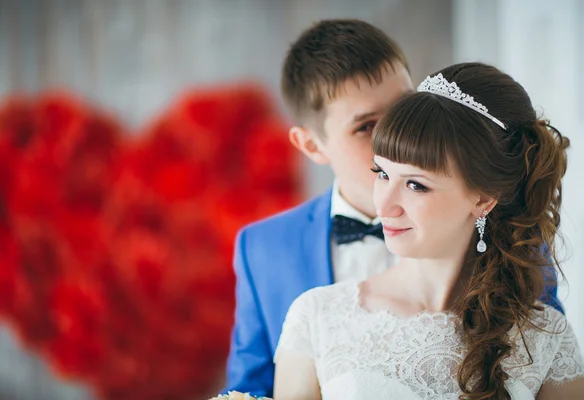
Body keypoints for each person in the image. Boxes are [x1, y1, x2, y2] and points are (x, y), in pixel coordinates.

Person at [223, 19, 561, 397]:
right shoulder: (266, 251)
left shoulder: (508, 233)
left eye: (404, 109)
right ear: (311, 146)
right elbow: (250, 386)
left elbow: (539, 353)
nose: (396, 135)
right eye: (366, 126)